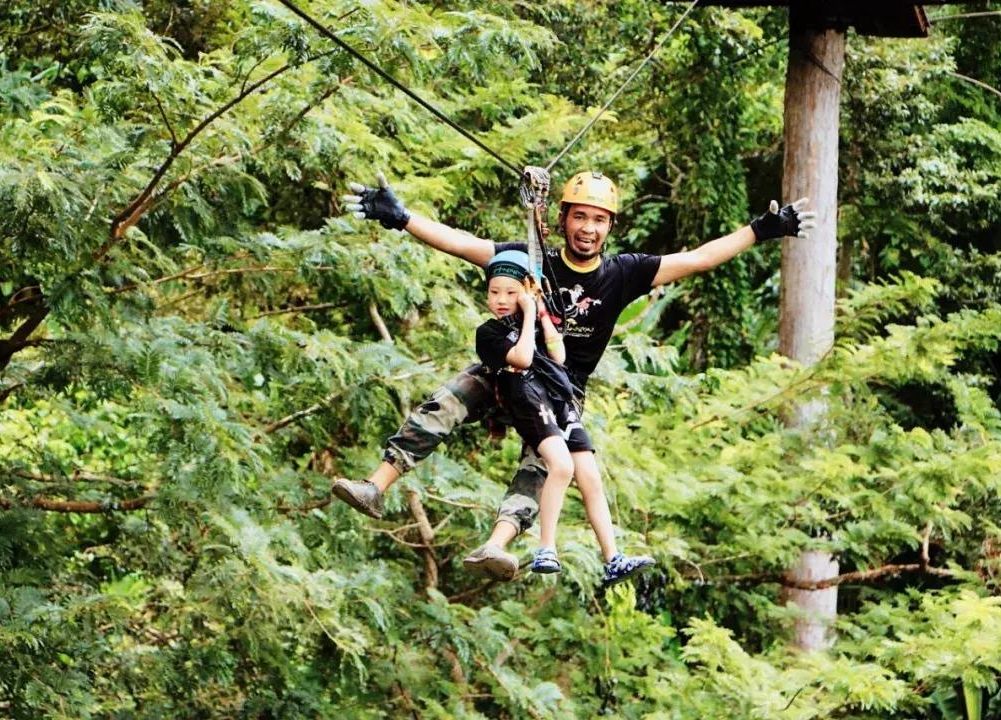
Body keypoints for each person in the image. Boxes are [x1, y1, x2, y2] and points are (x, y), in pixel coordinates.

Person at [335, 170, 815, 581]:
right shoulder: (532, 259)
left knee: (541, 468)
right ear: (563, 219)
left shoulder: (623, 274)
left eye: (599, 219)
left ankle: (498, 544)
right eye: (580, 216)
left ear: (609, 228)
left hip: (562, 389)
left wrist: (760, 229)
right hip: (508, 363)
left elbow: (698, 259)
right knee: (446, 403)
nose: (588, 228)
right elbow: (465, 245)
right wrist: (402, 218)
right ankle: (375, 487)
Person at [475, 249, 654, 583]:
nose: (501, 299)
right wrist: (527, 315)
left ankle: (612, 556)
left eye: (511, 292)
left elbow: (558, 356)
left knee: (589, 475)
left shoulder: (538, 318)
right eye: (494, 292)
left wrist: (540, 312)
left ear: (526, 290)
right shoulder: (491, 332)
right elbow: (524, 358)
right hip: (526, 396)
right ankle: (546, 547)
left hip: (558, 394)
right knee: (561, 467)